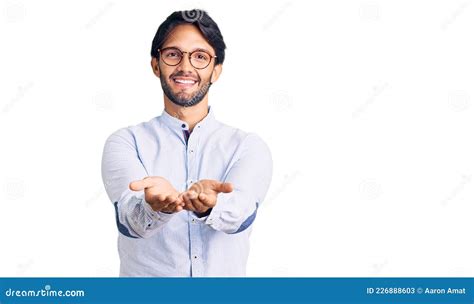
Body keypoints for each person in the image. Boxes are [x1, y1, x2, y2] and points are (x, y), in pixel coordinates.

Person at [101, 9, 273, 277]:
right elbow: (130, 221)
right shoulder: (126, 142)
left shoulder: (248, 147)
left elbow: (241, 212)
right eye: (173, 54)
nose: (185, 67)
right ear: (156, 64)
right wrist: (152, 205)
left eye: (200, 57)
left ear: (216, 71)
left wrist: (211, 205)